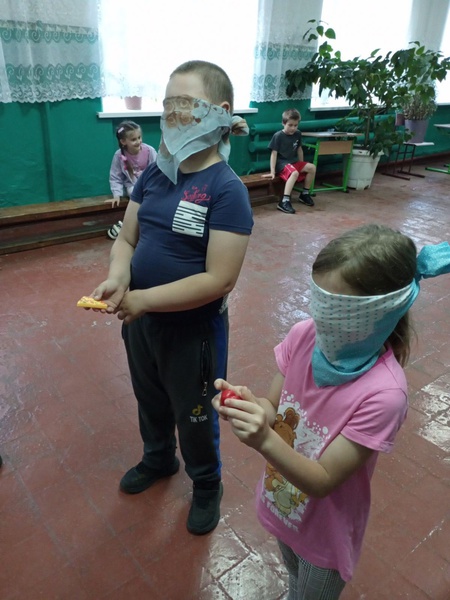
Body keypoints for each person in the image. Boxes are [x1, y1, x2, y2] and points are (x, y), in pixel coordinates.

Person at [213, 224, 450, 598]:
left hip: (325, 531)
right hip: (284, 504)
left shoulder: (385, 394)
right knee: (294, 579)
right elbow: (274, 408)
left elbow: (323, 478)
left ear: (378, 312)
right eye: (319, 301)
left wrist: (262, 439)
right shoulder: (304, 336)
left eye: (337, 309)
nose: (322, 318)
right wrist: (250, 406)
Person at [91, 60, 253, 535]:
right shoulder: (155, 175)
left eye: (186, 105)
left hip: (192, 332)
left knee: (195, 412)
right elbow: (127, 239)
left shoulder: (226, 190)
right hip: (140, 321)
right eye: (168, 106)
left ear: (219, 111)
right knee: (151, 398)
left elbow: (219, 280)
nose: (173, 116)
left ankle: (206, 484)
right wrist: (119, 278)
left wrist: (144, 300)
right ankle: (159, 457)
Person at [106, 120, 157, 240]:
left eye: (139, 137)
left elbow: (157, 171)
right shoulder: (119, 155)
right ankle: (133, 226)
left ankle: (147, 224)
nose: (138, 141)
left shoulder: (149, 151)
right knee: (136, 195)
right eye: (133, 139)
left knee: (154, 196)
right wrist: (117, 195)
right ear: (123, 142)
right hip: (133, 186)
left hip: (150, 184)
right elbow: (115, 177)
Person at [267, 108, 316, 215]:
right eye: (290, 125)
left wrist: (302, 164)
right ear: (283, 123)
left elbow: (299, 149)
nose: (293, 128)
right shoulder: (278, 136)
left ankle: (304, 194)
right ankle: (284, 201)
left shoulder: (298, 134)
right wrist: (272, 171)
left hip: (293, 162)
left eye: (295, 125)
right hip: (282, 164)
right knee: (294, 173)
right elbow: (274, 154)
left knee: (312, 167)